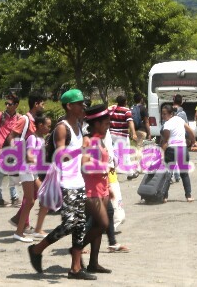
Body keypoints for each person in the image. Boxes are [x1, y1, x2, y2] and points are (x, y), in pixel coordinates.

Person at [28, 89, 95, 280]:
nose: (83, 106)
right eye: (80, 104)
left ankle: (75, 269)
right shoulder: (62, 127)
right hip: (65, 182)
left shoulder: (79, 126)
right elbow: (60, 155)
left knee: (80, 225)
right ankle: (37, 249)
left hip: (78, 181)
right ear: (69, 106)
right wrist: (81, 151)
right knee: (70, 224)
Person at [10, 93, 47, 239]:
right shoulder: (25, 119)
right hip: (25, 164)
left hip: (32, 166)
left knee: (39, 194)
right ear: (36, 104)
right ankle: (21, 228)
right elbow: (12, 136)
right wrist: (17, 155)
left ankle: (26, 225)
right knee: (30, 198)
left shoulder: (35, 122)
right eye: (43, 103)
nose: (44, 107)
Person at [81, 105, 113, 275]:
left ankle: (93, 262)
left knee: (98, 225)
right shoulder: (88, 140)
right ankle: (76, 250)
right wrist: (103, 167)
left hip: (102, 188)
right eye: (106, 124)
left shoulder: (100, 140)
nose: (108, 127)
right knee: (103, 224)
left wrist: (109, 187)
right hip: (91, 189)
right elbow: (84, 164)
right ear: (96, 123)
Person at [160, 104, 195, 202]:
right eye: (162, 114)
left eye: (164, 114)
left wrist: (162, 153)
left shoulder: (167, 124)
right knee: (184, 174)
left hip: (172, 149)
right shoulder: (180, 120)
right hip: (182, 149)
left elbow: (165, 141)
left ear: (171, 114)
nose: (163, 116)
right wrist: (193, 142)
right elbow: (191, 131)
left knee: (168, 173)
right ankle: (188, 196)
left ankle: (164, 197)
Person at [0, 94, 21, 207]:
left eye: (10, 104)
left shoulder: (19, 118)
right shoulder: (0, 115)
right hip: (2, 150)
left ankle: (3, 199)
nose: (7, 105)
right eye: (6, 103)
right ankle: (8, 198)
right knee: (3, 174)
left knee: (10, 173)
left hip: (13, 150)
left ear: (16, 105)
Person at [108, 95, 136, 173]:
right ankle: (130, 172)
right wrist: (133, 132)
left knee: (115, 150)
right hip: (122, 135)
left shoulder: (113, 109)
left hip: (112, 134)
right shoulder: (126, 110)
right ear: (125, 101)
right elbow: (130, 121)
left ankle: (115, 166)